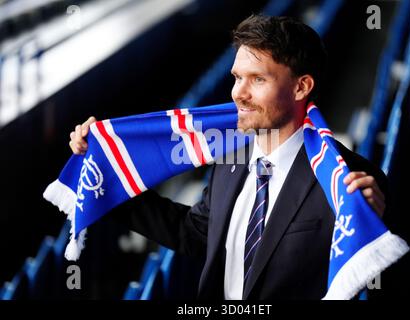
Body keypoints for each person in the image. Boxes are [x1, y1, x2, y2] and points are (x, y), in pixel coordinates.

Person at [68, 15, 388, 300]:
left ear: (301, 87)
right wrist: (106, 176)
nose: (238, 93)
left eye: (257, 79)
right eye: (237, 77)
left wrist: (371, 225)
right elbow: (196, 234)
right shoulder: (233, 156)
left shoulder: (348, 180)